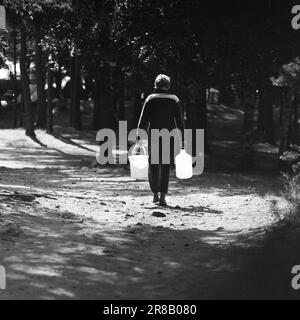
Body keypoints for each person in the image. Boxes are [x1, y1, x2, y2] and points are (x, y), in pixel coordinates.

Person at [136, 74, 184, 206]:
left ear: (155, 85)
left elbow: (143, 120)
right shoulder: (174, 99)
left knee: (153, 164)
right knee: (166, 165)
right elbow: (179, 121)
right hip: (170, 135)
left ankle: (155, 195)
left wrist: (139, 136)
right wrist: (183, 137)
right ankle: (163, 196)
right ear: (168, 86)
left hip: (154, 135)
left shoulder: (150, 99)